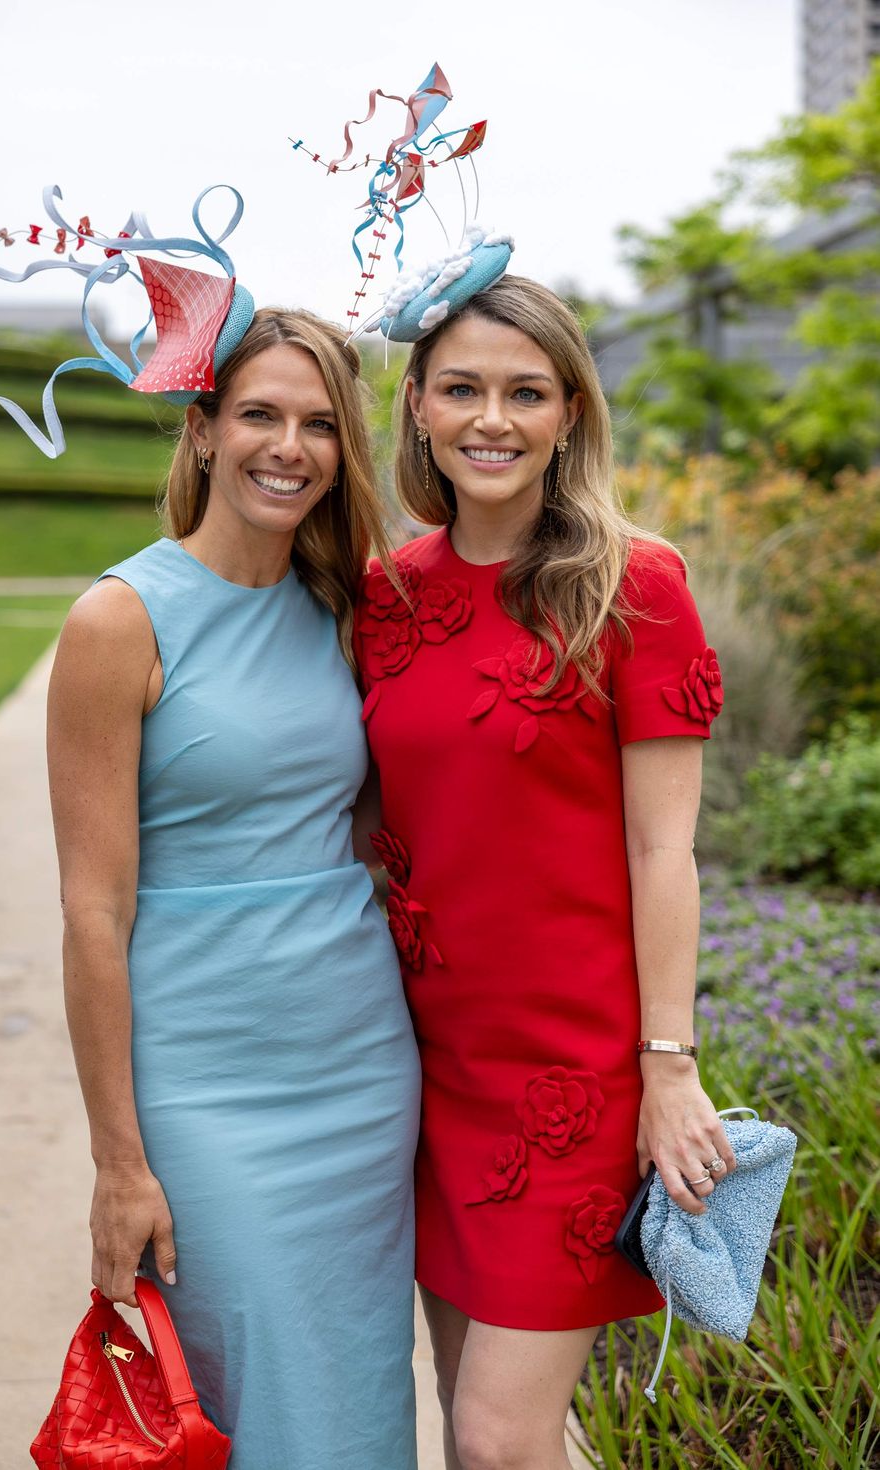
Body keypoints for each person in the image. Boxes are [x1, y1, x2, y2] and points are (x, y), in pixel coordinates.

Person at [355, 274, 735, 1470]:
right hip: (413, 1069)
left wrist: (665, 1067)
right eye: (460, 388)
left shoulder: (634, 586)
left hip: (568, 1078)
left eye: (526, 392)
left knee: (493, 1440)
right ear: (415, 404)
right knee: (484, 1421)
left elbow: (660, 848)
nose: (491, 419)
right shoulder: (380, 595)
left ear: (570, 412)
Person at [47, 306, 421, 1470]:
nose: (289, 446)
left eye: (318, 423)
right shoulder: (120, 620)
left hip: (358, 1069)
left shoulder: (346, 609)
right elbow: (92, 915)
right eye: (259, 413)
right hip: (205, 1085)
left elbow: (369, 831)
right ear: (202, 429)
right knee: (236, 1399)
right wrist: (119, 1162)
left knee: (354, 1382)